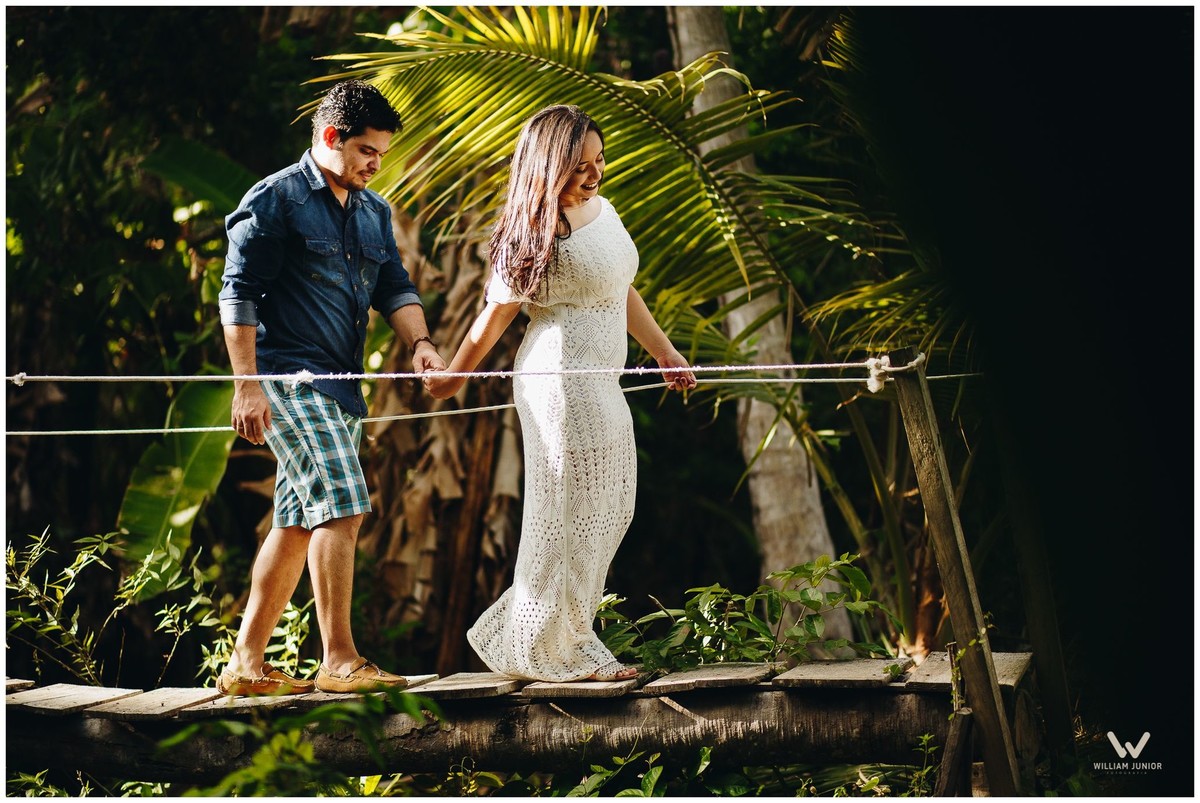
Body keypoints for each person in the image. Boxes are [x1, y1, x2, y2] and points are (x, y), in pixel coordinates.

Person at [424, 105, 696, 682]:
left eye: (599, 161)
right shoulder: (535, 231)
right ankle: (559, 653)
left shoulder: (604, 210)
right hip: (559, 382)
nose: (594, 175)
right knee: (569, 515)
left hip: (602, 379)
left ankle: (530, 636)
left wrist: (664, 350)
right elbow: (491, 320)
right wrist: (453, 375)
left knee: (611, 508)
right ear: (547, 167)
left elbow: (621, 288)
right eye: (579, 167)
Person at [216, 80, 446, 695]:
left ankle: (245, 664)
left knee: (296, 525)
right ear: (330, 138)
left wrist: (421, 344)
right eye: (367, 151)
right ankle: (339, 659)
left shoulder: (374, 212)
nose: (377, 163)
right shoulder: (276, 200)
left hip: (343, 388)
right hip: (287, 379)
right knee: (343, 504)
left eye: (382, 153)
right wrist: (248, 386)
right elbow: (236, 294)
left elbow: (394, 288)